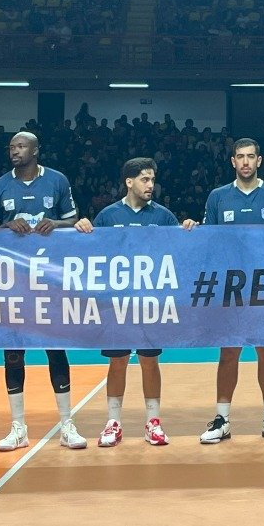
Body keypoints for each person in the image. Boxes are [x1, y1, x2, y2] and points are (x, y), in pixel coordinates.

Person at [0, 131, 86, 451]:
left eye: (21, 146)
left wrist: (55, 223)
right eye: (12, 146)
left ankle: (67, 424)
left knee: (56, 349)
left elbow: (74, 221)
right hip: (13, 282)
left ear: (36, 150)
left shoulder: (56, 181)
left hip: (49, 279)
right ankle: (18, 428)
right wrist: (7, 226)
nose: (15, 150)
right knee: (13, 353)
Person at [186, 138, 264, 444]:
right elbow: (209, 241)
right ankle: (222, 419)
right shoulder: (218, 197)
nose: (245, 162)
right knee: (229, 352)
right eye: (240, 157)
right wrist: (192, 230)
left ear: (259, 160)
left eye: (250, 157)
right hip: (230, 286)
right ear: (233, 161)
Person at [74, 157, 179, 447]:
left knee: (149, 361)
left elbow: (181, 250)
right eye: (145, 179)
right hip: (117, 302)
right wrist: (82, 228)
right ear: (129, 182)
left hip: (150, 301)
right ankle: (113, 422)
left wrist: (188, 228)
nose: (150, 185)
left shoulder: (163, 216)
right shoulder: (108, 216)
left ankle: (153, 423)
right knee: (118, 361)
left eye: (153, 179)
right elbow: (92, 253)